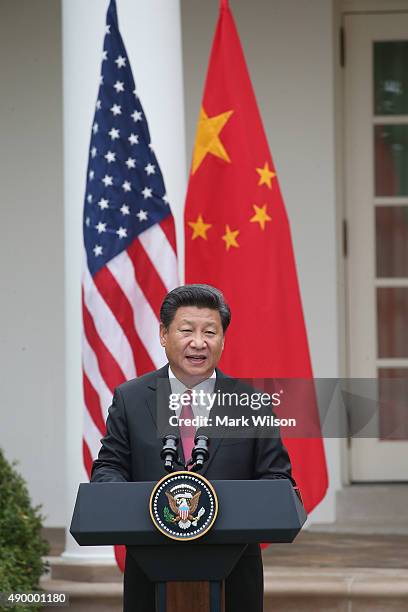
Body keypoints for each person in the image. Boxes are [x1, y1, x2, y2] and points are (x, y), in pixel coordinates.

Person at [91, 284, 295, 612]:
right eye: (186, 330)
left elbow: (277, 479)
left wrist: (226, 505)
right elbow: (109, 467)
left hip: (235, 574)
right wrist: (129, 501)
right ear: (163, 334)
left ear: (223, 339)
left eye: (210, 332)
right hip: (150, 567)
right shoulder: (130, 398)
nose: (198, 343)